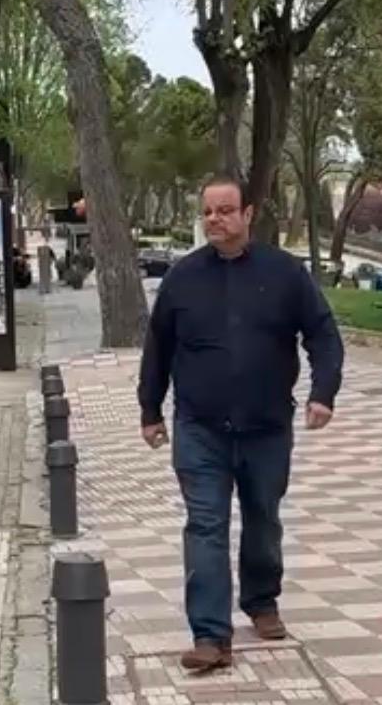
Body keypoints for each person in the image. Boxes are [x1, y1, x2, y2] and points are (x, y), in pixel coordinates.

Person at [138, 175, 344, 677]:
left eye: (226, 210)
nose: (215, 220)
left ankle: (261, 599)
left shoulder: (285, 273)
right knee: (205, 525)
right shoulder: (183, 279)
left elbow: (323, 335)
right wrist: (150, 410)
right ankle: (210, 635)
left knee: (262, 517)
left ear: (248, 214)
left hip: (267, 427)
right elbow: (157, 348)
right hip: (200, 429)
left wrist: (323, 394)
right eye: (208, 211)